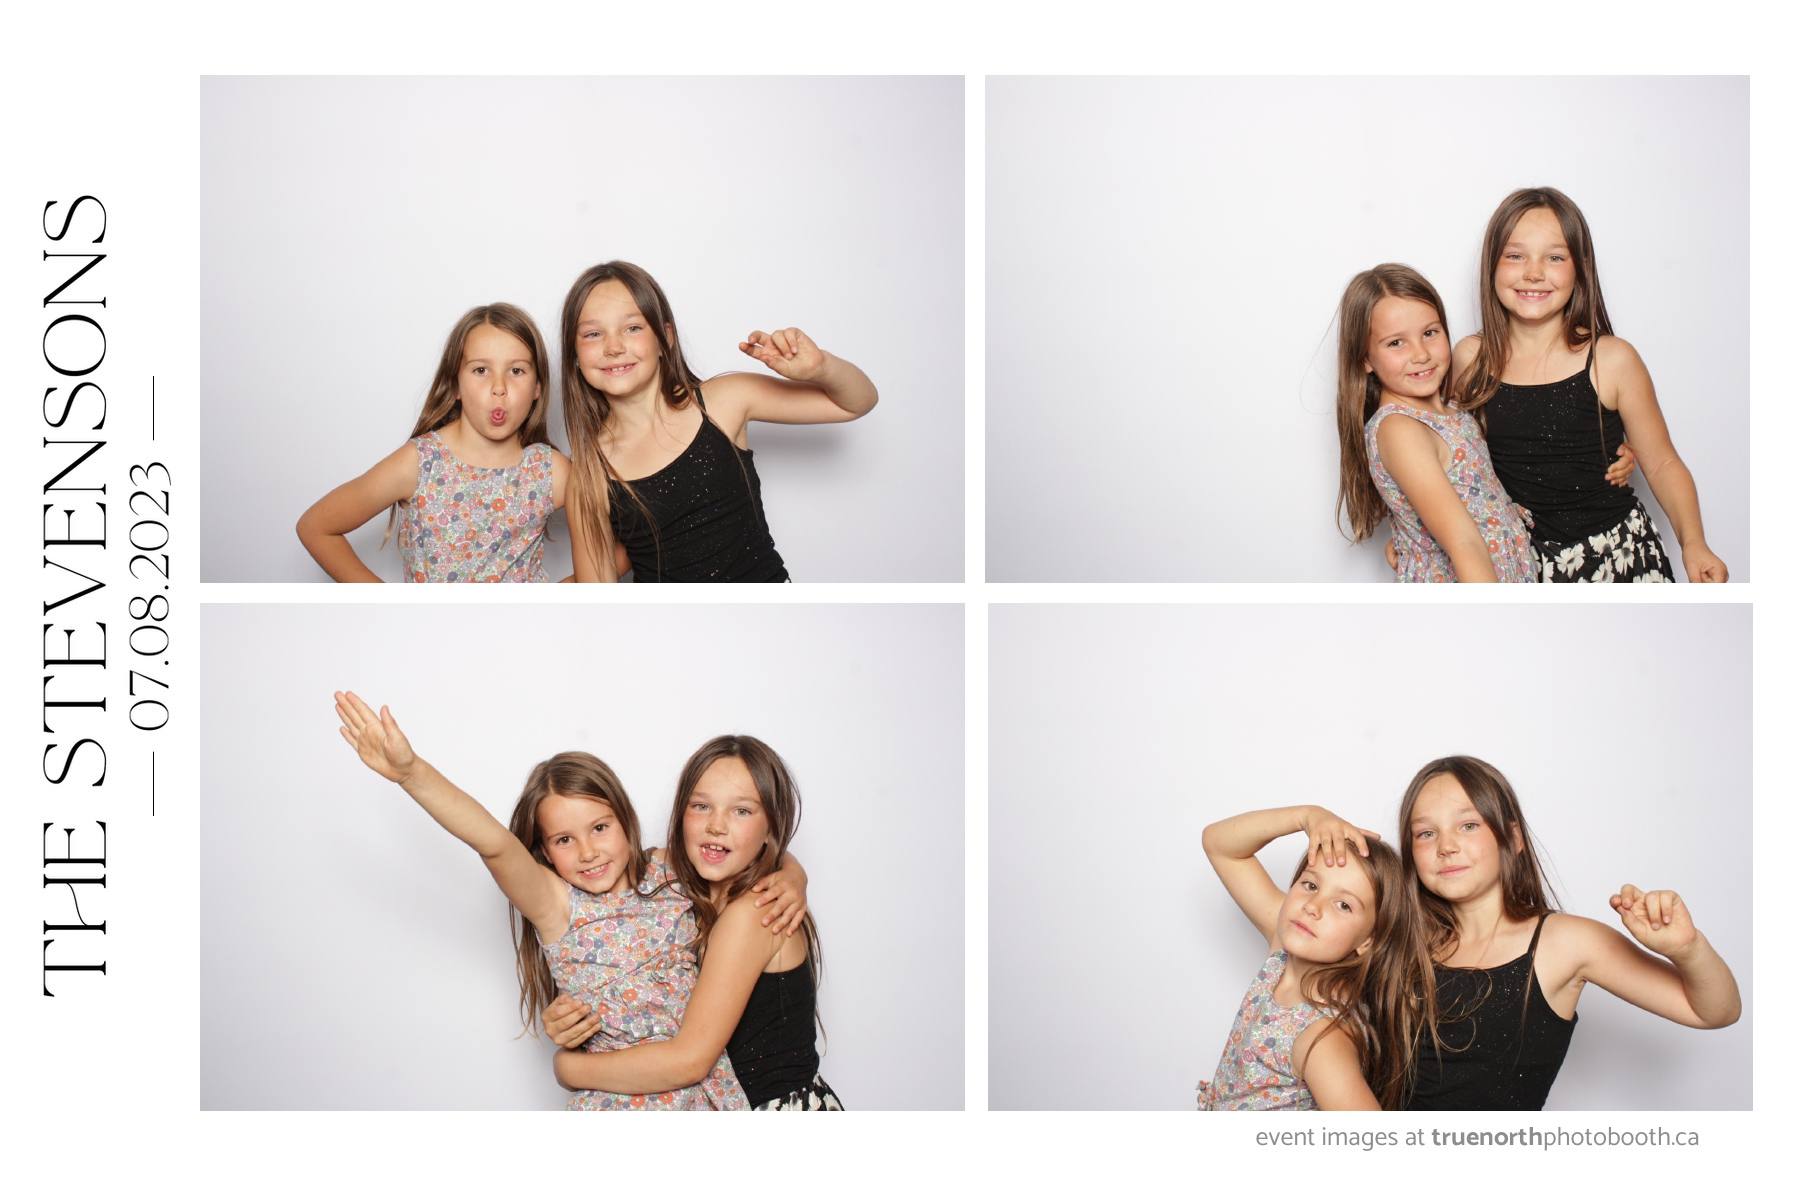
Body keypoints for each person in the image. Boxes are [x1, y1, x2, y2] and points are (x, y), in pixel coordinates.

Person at [331, 693, 807, 1109]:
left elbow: (737, 846)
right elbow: (494, 844)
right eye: (563, 839)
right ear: (543, 852)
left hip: (706, 1096)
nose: (588, 852)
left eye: (600, 828)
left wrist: (792, 874)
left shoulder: (668, 874)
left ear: (625, 820)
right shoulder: (557, 905)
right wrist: (412, 774)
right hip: (619, 1102)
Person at [1317, 756, 1740, 1109]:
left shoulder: (1565, 943)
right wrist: (1309, 817)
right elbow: (1276, 900)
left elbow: (1714, 1012)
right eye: (1426, 833)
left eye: (1468, 825)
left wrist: (1688, 949)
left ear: (1514, 837)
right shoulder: (1398, 936)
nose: (1446, 846)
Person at [543, 735, 844, 1110]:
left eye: (742, 811)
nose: (716, 825)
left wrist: (567, 1067)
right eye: (701, 806)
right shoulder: (671, 881)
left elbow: (689, 1061)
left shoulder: (756, 911)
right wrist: (579, 1012)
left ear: (772, 827)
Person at [1452, 188, 1727, 582]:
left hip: (1620, 557)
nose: (1534, 272)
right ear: (1491, 265)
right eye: (1515, 256)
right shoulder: (1470, 360)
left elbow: (1663, 463)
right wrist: (1413, 531)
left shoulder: (1613, 359)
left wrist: (1694, 543)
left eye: (1554, 257)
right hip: (1516, 563)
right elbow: (1450, 460)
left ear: (1580, 269)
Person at [558, 262, 878, 582]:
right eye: (593, 334)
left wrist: (821, 368)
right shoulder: (588, 474)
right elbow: (599, 597)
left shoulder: (725, 401)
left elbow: (855, 403)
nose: (614, 347)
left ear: (665, 337)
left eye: (632, 328)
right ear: (575, 355)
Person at [298, 304, 590, 582]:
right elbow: (316, 528)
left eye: (516, 371)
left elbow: (613, 552)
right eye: (481, 370)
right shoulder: (420, 463)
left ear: (538, 386)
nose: (499, 388)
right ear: (455, 385)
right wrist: (390, 606)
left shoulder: (549, 471)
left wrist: (551, 597)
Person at [1197, 806, 1425, 1109]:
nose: (1313, 906)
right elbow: (1219, 845)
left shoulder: (1321, 1037)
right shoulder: (1284, 947)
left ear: (1369, 940)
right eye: (1311, 885)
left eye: (1343, 905)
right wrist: (1306, 816)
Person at [1336, 264, 1540, 582]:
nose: (1421, 354)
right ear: (1364, 358)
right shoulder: (1399, 429)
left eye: (1430, 333)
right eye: (1395, 343)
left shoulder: (1451, 408)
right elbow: (1463, 543)